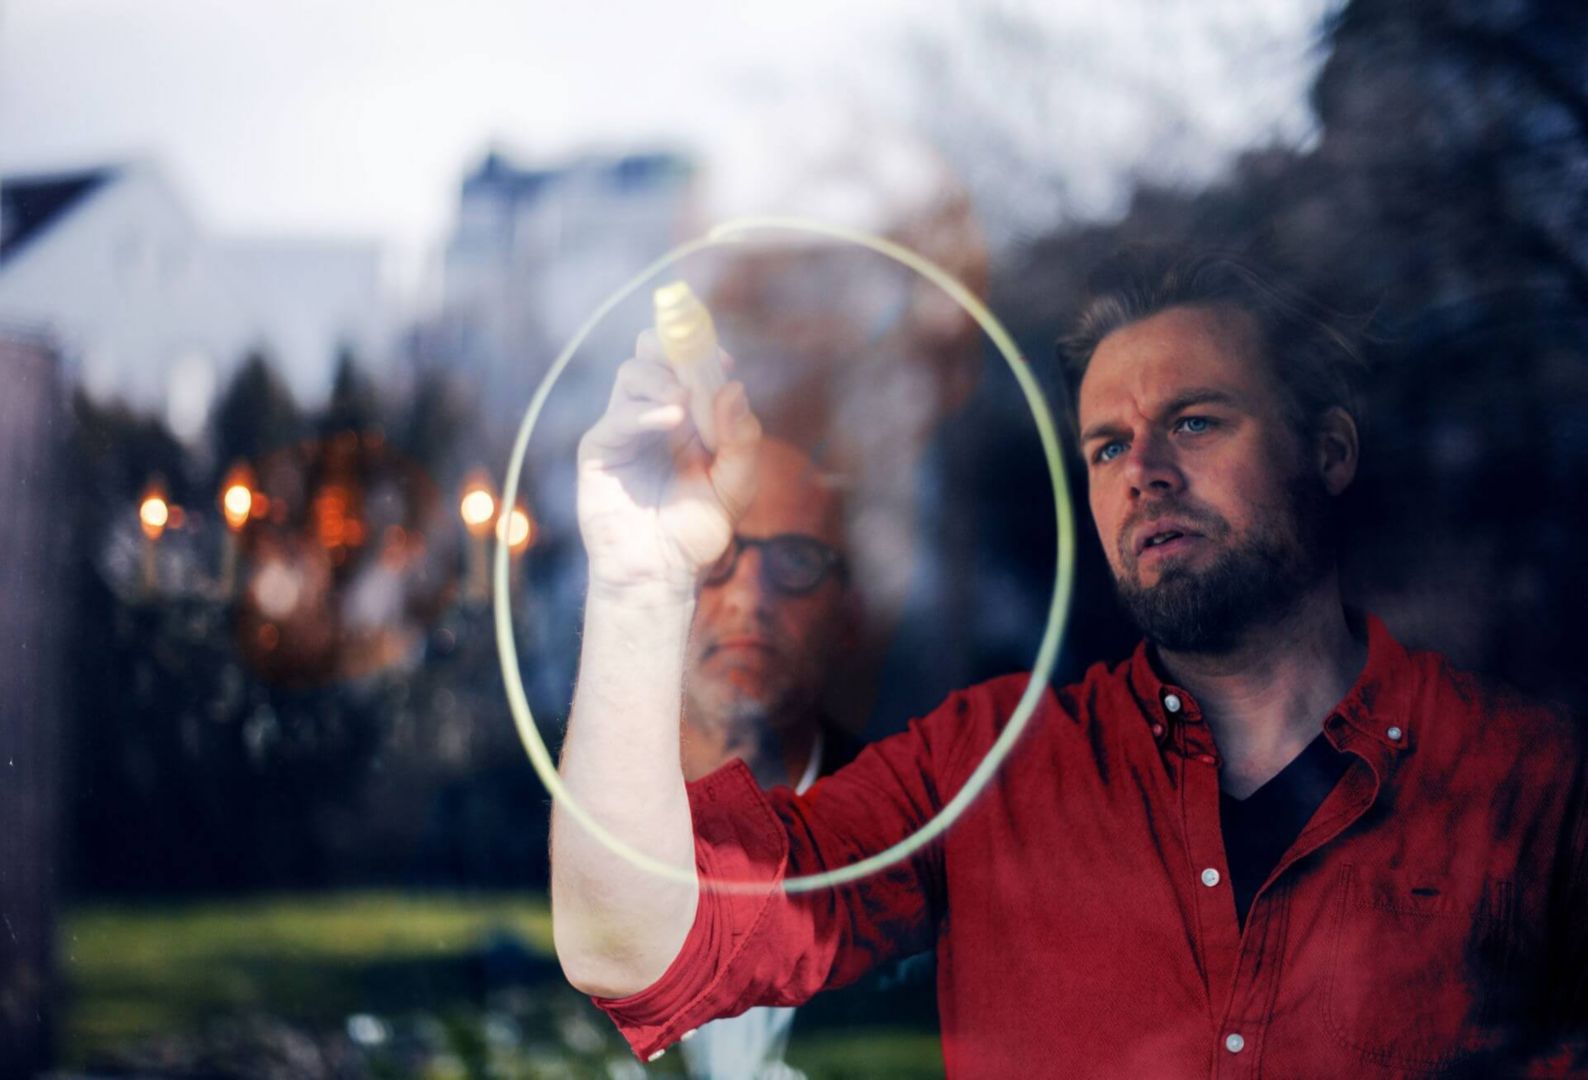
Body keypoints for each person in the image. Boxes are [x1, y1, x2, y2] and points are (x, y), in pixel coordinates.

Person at [551, 253, 1587, 1077]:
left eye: (1193, 421)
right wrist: (639, 578)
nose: (1144, 473)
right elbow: (634, 945)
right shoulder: (984, 769)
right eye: (1106, 448)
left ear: (1328, 451)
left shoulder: (1524, 784)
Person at [676, 436, 863, 1079]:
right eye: (709, 553)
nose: (749, 596)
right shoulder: (540, 835)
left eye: (796, 558)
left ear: (849, 612)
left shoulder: (922, 850)